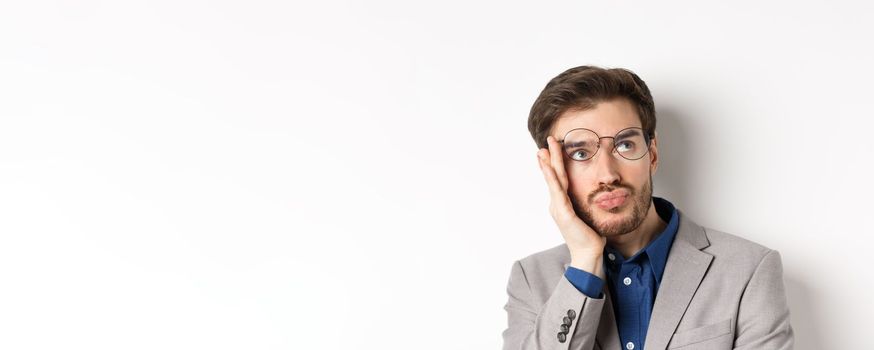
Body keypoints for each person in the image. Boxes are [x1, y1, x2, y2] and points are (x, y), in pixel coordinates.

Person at [501, 66, 794, 350]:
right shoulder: (531, 280)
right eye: (580, 153)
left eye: (624, 145)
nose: (608, 175)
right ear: (553, 170)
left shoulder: (748, 270)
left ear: (651, 155)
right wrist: (585, 262)